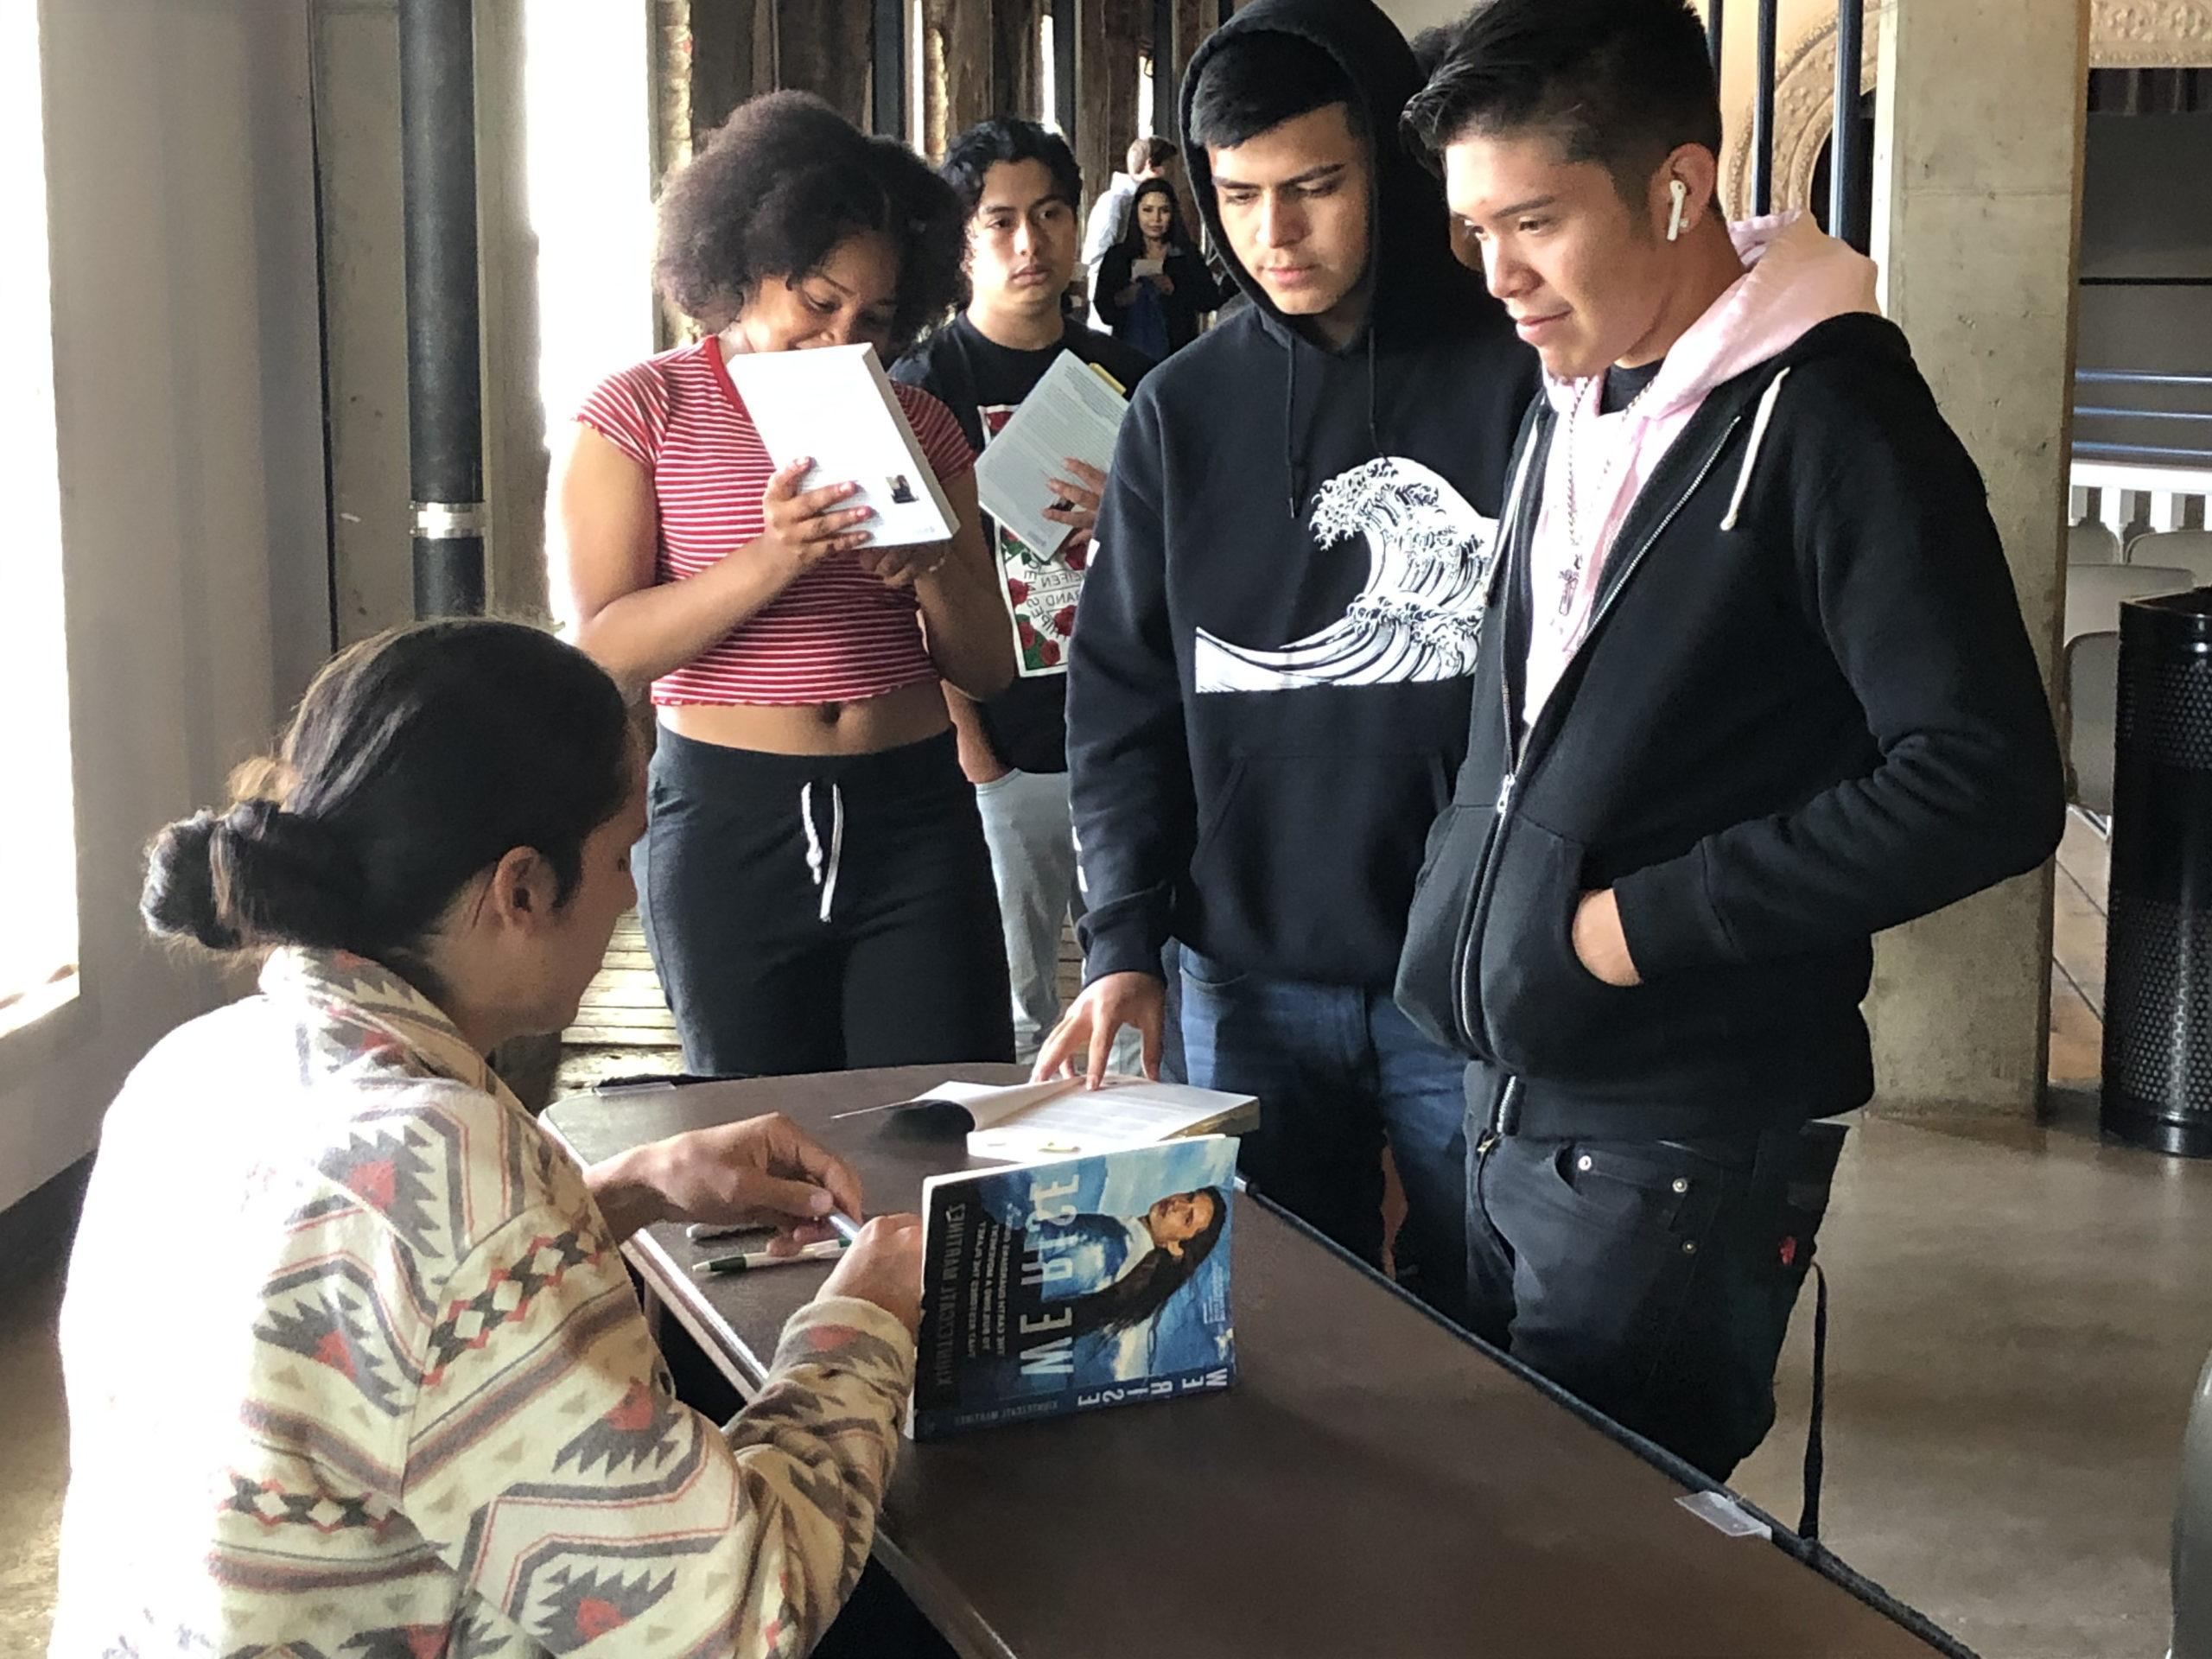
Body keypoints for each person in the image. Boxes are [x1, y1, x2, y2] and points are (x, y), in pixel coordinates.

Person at [1395, 0, 2065, 1478]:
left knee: (1607, 1555)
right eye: (1471, 231)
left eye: (1535, 223)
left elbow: (1989, 779)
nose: (1496, 277)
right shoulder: (1575, 394)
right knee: (1523, 1531)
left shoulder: (1837, 425)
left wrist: (1634, 928)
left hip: (1682, 1125)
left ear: (1680, 186)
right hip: (1518, 1092)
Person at [49, 620, 927, 1656]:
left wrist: (626, 1191)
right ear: (521, 888)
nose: (630, 899)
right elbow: (739, 1617)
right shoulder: (454, 1179)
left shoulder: (192, 1071)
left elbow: (364, 1329)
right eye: (618, 857)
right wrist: (864, 1319)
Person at [1036, 0, 1539, 1326]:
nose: (1278, 235)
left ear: (1394, 160)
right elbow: (1125, 701)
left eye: (1317, 186)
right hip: (1246, 973)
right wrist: (1121, 942)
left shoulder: (1523, 376)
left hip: (1468, 974)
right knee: (1277, 1332)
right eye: (1241, 195)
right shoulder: (1180, 414)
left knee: (1490, 1333)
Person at [556, 92, 1015, 1078]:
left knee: (943, 1111)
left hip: (913, 813)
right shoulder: (644, 409)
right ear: (743, 264)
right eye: (818, 300)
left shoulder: (923, 425)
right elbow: (600, 653)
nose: (841, 336)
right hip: (732, 818)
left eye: (874, 318)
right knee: (756, 1124)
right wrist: (773, 559)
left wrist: (932, 563)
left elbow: (988, 667)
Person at [892, 119, 1160, 1075]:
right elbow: (902, 587)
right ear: (962, 240)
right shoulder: (921, 391)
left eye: (1049, 213)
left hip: (1122, 738)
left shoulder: (1136, 380)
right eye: (998, 220)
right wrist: (974, 751)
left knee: (1133, 997)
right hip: (998, 743)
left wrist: (1133, 514)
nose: (1028, 242)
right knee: (1013, 1009)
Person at [1094, 178, 1224, 357]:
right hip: (1129, 353)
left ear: (1173, 214)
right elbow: (1104, 310)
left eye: (1164, 211)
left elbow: (1210, 300)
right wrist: (1124, 297)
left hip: (1177, 357)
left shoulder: (1186, 254)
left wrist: (1175, 288)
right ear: (1136, 212)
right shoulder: (1118, 256)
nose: (1155, 219)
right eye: (1147, 210)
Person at [1083, 134, 1181, 293]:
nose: (1172, 176)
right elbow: (1097, 260)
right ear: (1151, 166)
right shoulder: (1115, 202)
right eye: (1169, 167)